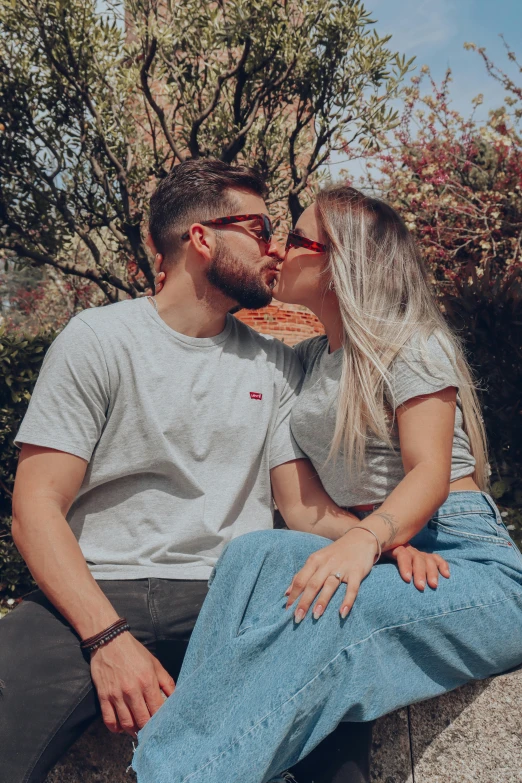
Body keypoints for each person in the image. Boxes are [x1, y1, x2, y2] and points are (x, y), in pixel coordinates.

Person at [0, 163, 441, 783]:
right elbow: (35, 508)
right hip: (96, 591)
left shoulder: (275, 365)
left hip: (229, 597)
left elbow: (300, 507)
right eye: (260, 230)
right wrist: (107, 641)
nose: (276, 249)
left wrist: (382, 544)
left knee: (337, 682)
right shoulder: (97, 340)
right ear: (203, 238)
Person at [131, 185, 522, 783]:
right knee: (254, 555)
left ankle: (173, 774)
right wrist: (383, 542)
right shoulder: (308, 361)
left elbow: (430, 472)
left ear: (341, 263)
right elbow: (301, 506)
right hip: (392, 547)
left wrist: (370, 540)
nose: (281, 251)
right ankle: (189, 748)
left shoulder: (409, 342)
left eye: (299, 239)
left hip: (467, 563)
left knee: (337, 609)